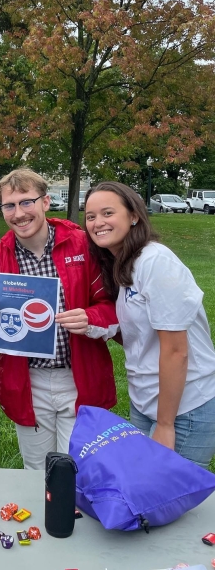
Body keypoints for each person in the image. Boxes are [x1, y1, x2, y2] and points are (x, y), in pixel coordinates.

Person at [0, 169, 118, 470]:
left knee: (78, 469)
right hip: (29, 381)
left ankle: (74, 517)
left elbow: (111, 305)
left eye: (27, 202)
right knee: (37, 472)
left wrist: (89, 317)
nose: (19, 213)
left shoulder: (81, 244)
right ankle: (42, 517)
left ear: (46, 202)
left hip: (78, 375)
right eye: (9, 206)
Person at [84, 181, 215, 468]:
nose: (97, 223)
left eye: (108, 213)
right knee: (148, 495)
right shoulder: (122, 264)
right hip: (146, 401)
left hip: (183, 407)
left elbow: (175, 350)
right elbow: (140, 335)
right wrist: (94, 326)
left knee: (176, 502)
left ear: (134, 216)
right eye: (90, 216)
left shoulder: (155, 261)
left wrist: (166, 425)